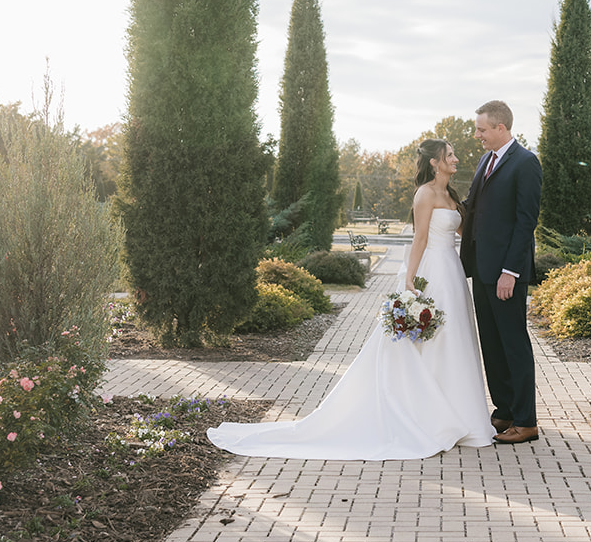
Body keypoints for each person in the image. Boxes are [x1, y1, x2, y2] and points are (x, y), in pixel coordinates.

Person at [206, 139, 494, 459]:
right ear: (434, 163)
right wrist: (410, 279)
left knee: (455, 340)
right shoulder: (425, 194)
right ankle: (431, 417)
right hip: (432, 273)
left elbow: (463, 230)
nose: (456, 159)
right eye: (450, 155)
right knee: (431, 340)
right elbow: (421, 239)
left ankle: (461, 416)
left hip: (452, 272)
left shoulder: (452, 195)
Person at [460, 100, 543, 445]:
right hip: (481, 268)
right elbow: (474, 206)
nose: (476, 135)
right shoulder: (485, 160)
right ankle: (504, 411)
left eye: (481, 129)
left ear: (500, 128)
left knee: (513, 343)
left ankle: (526, 421)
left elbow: (526, 222)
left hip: (506, 272)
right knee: (492, 344)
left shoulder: (526, 163)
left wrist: (510, 270)